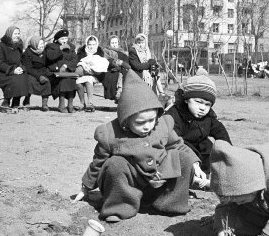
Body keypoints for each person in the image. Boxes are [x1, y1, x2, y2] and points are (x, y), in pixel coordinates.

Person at [74, 69, 201, 222]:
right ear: (125, 120)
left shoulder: (162, 125)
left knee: (183, 158)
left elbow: (177, 145)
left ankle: (169, 203)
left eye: (151, 120)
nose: (147, 126)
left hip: (160, 180)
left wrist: (195, 164)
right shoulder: (110, 134)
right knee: (115, 164)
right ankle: (119, 207)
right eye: (140, 123)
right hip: (131, 184)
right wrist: (85, 187)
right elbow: (98, 163)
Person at [167, 74, 231, 188]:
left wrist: (228, 150)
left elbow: (220, 131)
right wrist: (193, 163)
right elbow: (174, 140)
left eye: (207, 104)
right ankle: (189, 180)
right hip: (181, 149)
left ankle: (208, 177)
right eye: (198, 102)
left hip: (201, 149)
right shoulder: (174, 114)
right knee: (178, 155)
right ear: (186, 99)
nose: (203, 108)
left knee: (210, 147)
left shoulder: (208, 117)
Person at [0, 26, 29, 112]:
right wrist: (12, 70)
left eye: (18, 33)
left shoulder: (19, 46)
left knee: (23, 77)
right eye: (15, 34)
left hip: (16, 70)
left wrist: (21, 68)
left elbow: (23, 60)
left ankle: (16, 103)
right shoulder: (1, 46)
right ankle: (6, 102)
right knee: (13, 79)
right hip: (3, 71)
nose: (17, 35)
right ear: (9, 34)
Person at [46, 29, 79, 113]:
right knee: (64, 80)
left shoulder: (71, 47)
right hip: (55, 73)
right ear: (57, 39)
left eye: (66, 38)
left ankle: (70, 105)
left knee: (71, 79)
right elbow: (50, 57)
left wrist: (66, 65)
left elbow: (75, 59)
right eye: (62, 39)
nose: (64, 41)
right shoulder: (51, 47)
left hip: (68, 71)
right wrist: (60, 48)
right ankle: (62, 104)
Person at [75, 35, 109, 112]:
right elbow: (77, 62)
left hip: (95, 74)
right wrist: (83, 64)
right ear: (87, 44)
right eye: (89, 44)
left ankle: (90, 103)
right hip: (83, 72)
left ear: (96, 44)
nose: (91, 46)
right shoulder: (81, 52)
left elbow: (102, 64)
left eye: (93, 44)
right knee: (78, 81)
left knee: (88, 80)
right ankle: (82, 103)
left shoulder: (100, 51)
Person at [22, 36, 53, 112]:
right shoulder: (27, 53)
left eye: (43, 43)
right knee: (30, 81)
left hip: (42, 71)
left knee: (47, 82)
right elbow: (28, 68)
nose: (42, 45)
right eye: (40, 44)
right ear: (34, 44)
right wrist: (39, 76)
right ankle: (26, 101)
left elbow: (47, 63)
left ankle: (44, 104)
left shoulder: (44, 52)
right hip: (31, 72)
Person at [99, 35, 130, 102]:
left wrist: (123, 64)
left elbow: (126, 62)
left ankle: (121, 92)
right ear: (109, 43)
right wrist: (116, 64)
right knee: (115, 75)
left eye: (115, 43)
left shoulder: (122, 51)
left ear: (118, 43)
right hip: (110, 70)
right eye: (112, 43)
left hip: (122, 69)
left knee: (126, 74)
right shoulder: (106, 51)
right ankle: (118, 92)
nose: (114, 44)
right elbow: (106, 61)